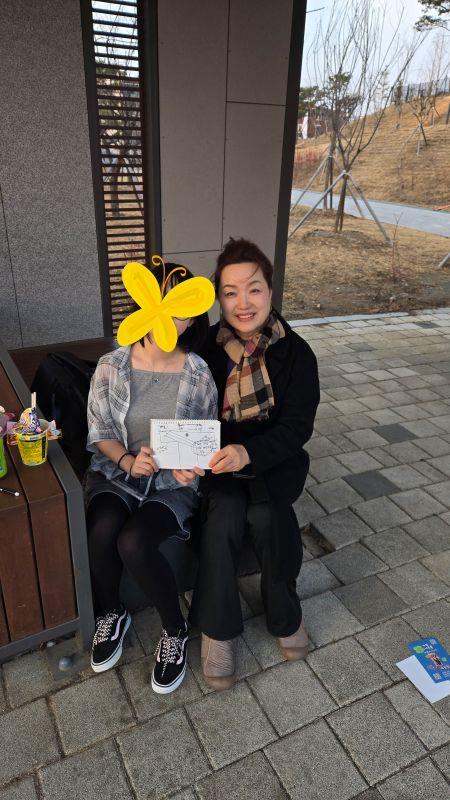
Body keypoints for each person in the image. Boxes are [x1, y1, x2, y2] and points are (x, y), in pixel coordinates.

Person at [178, 238, 320, 690]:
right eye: (230, 292)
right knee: (224, 513)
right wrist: (187, 453)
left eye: (254, 289)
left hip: (274, 462)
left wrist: (250, 453)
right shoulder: (203, 349)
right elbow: (182, 406)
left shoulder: (296, 353)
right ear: (219, 300)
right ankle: (218, 630)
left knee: (267, 513)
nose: (243, 303)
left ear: (270, 291)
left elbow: (297, 427)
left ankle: (285, 613)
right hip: (218, 462)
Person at [84, 261, 217, 694]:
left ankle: (175, 629)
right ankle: (112, 612)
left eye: (180, 310)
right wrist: (126, 460)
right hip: (117, 472)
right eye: (159, 304)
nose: (168, 318)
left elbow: (202, 440)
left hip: (171, 484)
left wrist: (187, 465)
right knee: (102, 528)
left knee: (134, 541)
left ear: (193, 317)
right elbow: (99, 430)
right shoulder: (112, 365)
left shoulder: (197, 373)